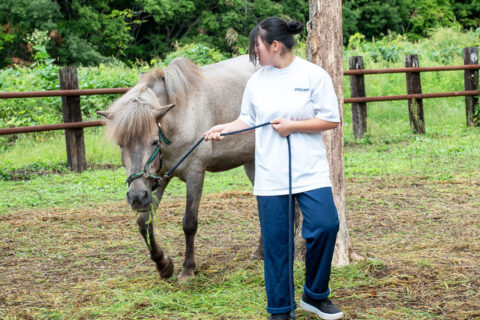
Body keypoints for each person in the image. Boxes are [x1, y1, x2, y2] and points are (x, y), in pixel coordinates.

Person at [204, 17, 343, 320]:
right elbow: (246, 119)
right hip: (271, 176)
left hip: (310, 171)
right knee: (277, 245)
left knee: (325, 225)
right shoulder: (257, 80)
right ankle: (280, 311)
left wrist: (294, 126)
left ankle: (315, 295)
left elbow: (331, 119)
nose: (254, 55)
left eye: (257, 48)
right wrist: (223, 129)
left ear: (275, 45)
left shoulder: (313, 75)